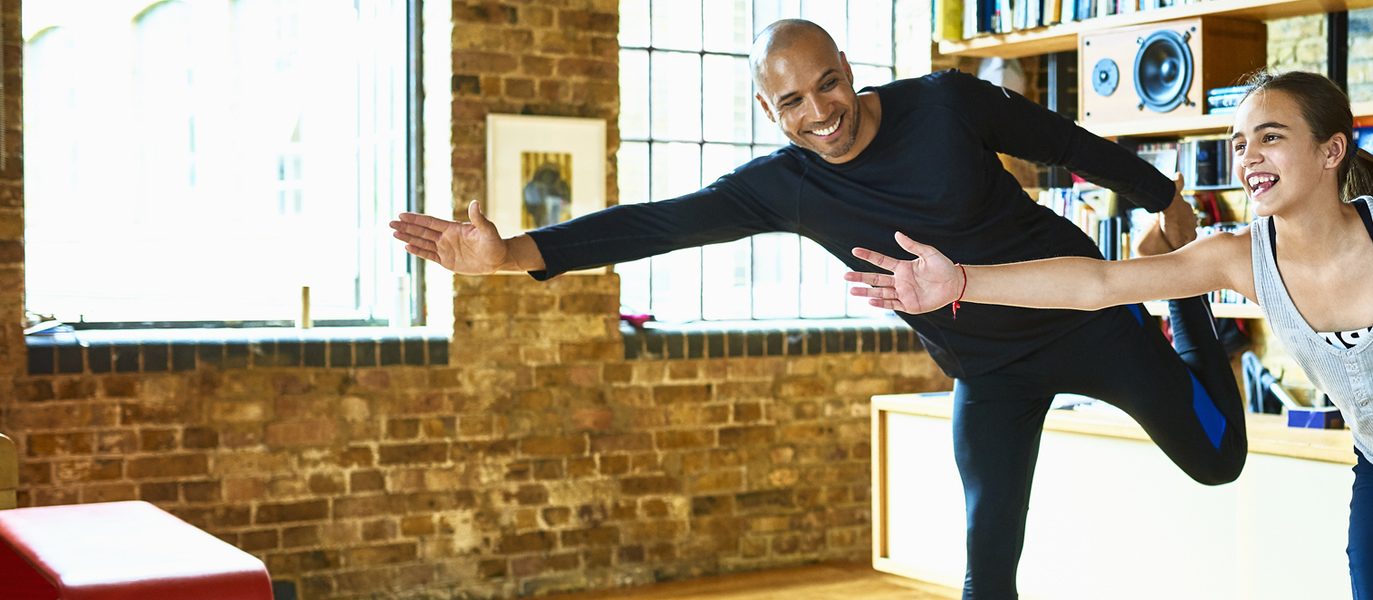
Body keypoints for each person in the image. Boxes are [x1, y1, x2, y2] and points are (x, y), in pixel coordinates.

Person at [388, 19, 1246, 600]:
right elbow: (657, 225)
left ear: (848, 72)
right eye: (792, 101)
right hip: (988, 371)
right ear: (769, 109)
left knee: (1218, 463)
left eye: (828, 85)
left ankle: (1189, 312)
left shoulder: (945, 104)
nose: (819, 113)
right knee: (988, 554)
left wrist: (1162, 197)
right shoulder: (786, 188)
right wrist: (511, 257)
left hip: (1087, 312)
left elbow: (1064, 144)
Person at [846, 70, 1373, 599]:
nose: (1248, 155)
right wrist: (962, 284)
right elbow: (1100, 282)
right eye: (1239, 142)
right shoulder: (1241, 260)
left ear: (1331, 152)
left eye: (1270, 136)